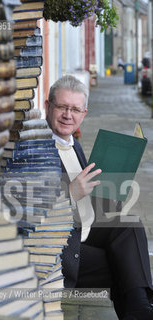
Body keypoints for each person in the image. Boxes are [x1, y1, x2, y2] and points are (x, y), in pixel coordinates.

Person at [45, 75, 153, 320]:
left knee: (131, 226)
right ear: (48, 106)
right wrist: (71, 193)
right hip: (62, 244)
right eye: (62, 107)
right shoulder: (37, 149)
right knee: (124, 263)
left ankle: (141, 310)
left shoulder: (74, 144)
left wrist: (110, 190)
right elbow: (31, 210)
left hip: (86, 226)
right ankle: (141, 312)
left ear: (84, 113)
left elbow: (86, 194)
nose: (67, 115)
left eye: (75, 109)